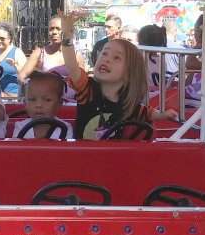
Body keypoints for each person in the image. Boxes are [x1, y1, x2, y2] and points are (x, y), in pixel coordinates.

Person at [59, 11, 177, 139]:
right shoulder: (88, 92)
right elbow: (72, 67)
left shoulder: (128, 103)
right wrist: (66, 36)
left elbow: (147, 113)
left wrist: (163, 115)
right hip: (84, 156)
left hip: (115, 157)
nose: (107, 59)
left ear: (128, 72)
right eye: (104, 53)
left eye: (116, 58)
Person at [19, 14, 88, 100]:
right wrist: (34, 89)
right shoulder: (39, 53)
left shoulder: (77, 55)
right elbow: (22, 77)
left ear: (68, 30)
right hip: (46, 104)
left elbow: (82, 84)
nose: (54, 32)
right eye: (51, 29)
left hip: (71, 105)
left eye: (58, 29)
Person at [13, 71, 72, 139]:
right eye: (32, 99)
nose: (38, 105)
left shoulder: (65, 128)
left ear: (59, 104)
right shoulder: (20, 127)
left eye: (47, 99)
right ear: (25, 103)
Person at [0, 22, 28, 96]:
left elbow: (26, 77)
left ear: (9, 39)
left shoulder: (17, 52)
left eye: (2, 39)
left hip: (13, 98)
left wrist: (15, 65)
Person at [138, 23, 178, 90]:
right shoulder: (161, 59)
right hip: (158, 95)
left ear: (140, 40)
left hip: (143, 95)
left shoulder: (138, 58)